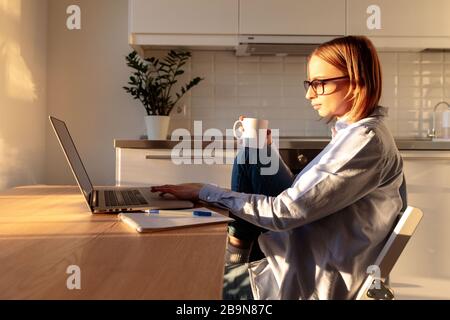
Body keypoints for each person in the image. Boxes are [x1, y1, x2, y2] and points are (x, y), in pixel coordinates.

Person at [151, 35, 407, 300]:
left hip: (307, 276)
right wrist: (266, 151)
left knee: (180, 285)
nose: (309, 94)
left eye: (319, 84)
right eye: (309, 83)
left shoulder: (364, 141)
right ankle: (238, 255)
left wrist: (205, 191)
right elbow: (308, 194)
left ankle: (236, 259)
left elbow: (286, 211)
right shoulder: (355, 133)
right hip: (304, 245)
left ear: (355, 81)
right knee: (253, 153)